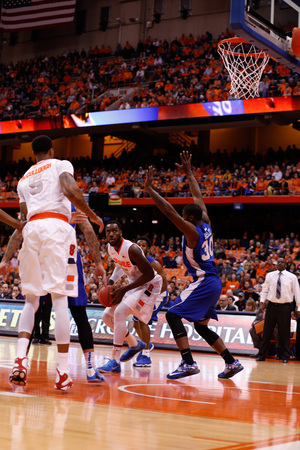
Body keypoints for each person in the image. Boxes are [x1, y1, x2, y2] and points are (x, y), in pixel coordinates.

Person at [3, 135, 104, 390]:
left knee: (31, 300)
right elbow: (70, 189)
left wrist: (5, 258)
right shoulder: (60, 163)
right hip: (56, 228)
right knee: (60, 301)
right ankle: (62, 371)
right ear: (51, 150)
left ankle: (19, 361)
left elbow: (23, 220)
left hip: (32, 230)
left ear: (33, 152)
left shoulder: (23, 178)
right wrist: (91, 214)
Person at [144, 151, 243, 380]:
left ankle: (188, 363)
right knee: (200, 326)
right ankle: (231, 362)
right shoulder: (205, 222)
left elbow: (169, 212)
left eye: (183, 215)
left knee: (172, 315)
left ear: (188, 218)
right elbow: (198, 197)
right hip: (213, 281)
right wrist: (189, 173)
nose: (181, 216)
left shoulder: (190, 231)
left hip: (204, 281)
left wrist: (150, 190)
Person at [97, 220, 162, 374]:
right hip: (134, 284)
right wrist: (111, 282)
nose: (111, 234)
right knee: (107, 316)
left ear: (121, 233)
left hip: (149, 285)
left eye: (114, 231)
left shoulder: (132, 249)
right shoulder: (110, 248)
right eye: (108, 231)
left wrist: (124, 288)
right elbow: (121, 265)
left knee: (119, 312)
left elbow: (150, 274)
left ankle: (115, 361)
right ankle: (134, 344)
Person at [131, 236, 168, 368]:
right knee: (135, 321)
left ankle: (146, 356)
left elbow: (163, 285)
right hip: (146, 293)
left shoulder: (154, 264)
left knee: (142, 320)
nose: (140, 247)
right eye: (138, 245)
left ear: (149, 249)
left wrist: (150, 300)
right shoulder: (134, 262)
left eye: (144, 245)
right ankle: (147, 344)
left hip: (158, 295)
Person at [256, 258, 300, 363]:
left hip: (285, 307)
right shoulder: (270, 275)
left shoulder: (292, 277)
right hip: (271, 306)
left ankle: (285, 356)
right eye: (278, 262)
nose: (280, 264)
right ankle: (262, 355)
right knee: (267, 331)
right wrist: (262, 303)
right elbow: (265, 290)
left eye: (282, 262)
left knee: (284, 332)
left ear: (286, 264)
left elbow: (297, 293)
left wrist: (298, 307)